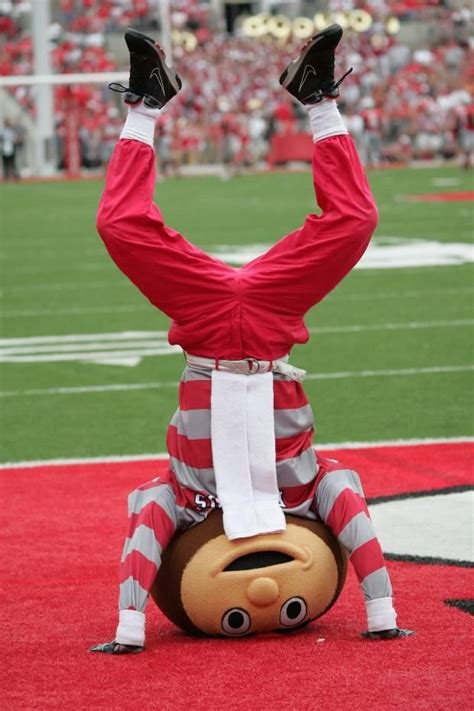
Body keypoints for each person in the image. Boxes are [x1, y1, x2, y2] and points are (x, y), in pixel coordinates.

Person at [92, 26, 413, 654]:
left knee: (119, 223)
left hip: (208, 325)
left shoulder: (182, 498)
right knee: (356, 220)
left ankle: (146, 106)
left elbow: (149, 510)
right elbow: (345, 494)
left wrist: (131, 626)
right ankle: (318, 100)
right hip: (270, 324)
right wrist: (381, 609)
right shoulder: (309, 488)